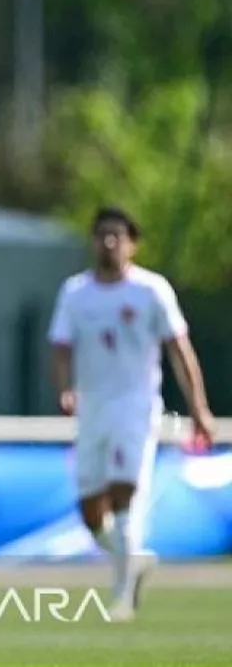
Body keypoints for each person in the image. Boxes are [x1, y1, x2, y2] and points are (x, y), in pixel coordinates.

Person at [48, 205, 216, 622]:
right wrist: (65, 389)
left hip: (136, 407)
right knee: (91, 513)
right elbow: (60, 348)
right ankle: (134, 558)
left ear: (132, 244)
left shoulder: (151, 291)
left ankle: (123, 597)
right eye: (101, 234)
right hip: (93, 410)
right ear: (92, 241)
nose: (108, 243)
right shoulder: (75, 293)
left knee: (124, 491)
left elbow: (180, 350)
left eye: (116, 236)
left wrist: (200, 408)